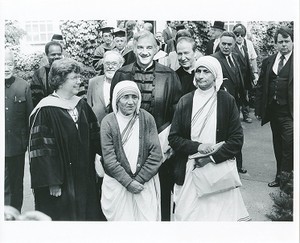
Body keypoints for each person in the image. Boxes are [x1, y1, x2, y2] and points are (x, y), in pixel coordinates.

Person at [110, 30, 182, 221]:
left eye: (149, 47)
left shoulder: (169, 75)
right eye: (140, 47)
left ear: (157, 49)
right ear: (134, 48)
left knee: (162, 194)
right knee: (130, 196)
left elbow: (177, 113)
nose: (144, 51)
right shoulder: (122, 73)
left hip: (161, 145)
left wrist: (168, 143)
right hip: (128, 148)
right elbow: (113, 111)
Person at [168, 56, 250, 221]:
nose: (201, 75)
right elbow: (174, 138)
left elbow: (236, 140)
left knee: (218, 220)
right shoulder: (185, 101)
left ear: (215, 76)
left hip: (218, 171)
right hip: (190, 169)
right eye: (198, 71)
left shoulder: (227, 101)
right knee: (188, 217)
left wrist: (211, 158)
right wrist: (197, 147)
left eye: (206, 72)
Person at [29, 58, 102, 220]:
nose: (79, 81)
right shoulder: (45, 109)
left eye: (79, 77)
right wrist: (52, 182)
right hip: (60, 181)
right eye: (74, 78)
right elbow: (42, 151)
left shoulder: (81, 105)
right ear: (60, 80)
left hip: (84, 175)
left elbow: (95, 137)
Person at [100, 81, 162, 220]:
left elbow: (156, 155)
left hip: (143, 184)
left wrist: (138, 181)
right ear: (117, 100)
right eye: (125, 97)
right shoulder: (108, 122)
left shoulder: (147, 118)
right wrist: (128, 183)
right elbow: (109, 160)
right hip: (117, 184)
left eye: (134, 97)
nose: (130, 102)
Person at [255, 27, 293, 188]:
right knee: (278, 144)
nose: (283, 45)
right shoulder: (269, 61)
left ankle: (286, 181)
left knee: (289, 145)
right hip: (274, 111)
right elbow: (260, 85)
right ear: (275, 43)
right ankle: (279, 176)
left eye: (286, 41)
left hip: (290, 112)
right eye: (280, 42)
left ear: (292, 42)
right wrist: (258, 108)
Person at [212, 31, 247, 174]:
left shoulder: (236, 57)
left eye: (229, 44)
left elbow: (239, 78)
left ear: (234, 45)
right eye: (223, 44)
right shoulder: (214, 59)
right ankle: (227, 166)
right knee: (225, 135)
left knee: (236, 133)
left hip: (235, 102)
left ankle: (237, 165)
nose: (226, 47)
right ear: (219, 43)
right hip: (222, 104)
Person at [5, 48, 33, 212]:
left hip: (16, 146)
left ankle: (14, 215)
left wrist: (27, 145)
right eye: (3, 64)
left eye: (9, 64)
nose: (6, 68)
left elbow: (29, 117)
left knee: (16, 184)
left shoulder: (23, 86)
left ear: (14, 65)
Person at [87, 50, 124, 124]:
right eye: (107, 63)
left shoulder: (124, 83)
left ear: (120, 65)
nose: (110, 67)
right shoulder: (93, 82)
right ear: (103, 65)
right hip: (97, 129)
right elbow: (88, 107)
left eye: (114, 64)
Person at [232, 24, 259, 123]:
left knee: (245, 95)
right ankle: (235, 117)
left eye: (242, 35)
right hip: (235, 75)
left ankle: (246, 114)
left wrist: (255, 73)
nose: (239, 37)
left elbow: (252, 59)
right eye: (237, 34)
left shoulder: (247, 45)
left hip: (245, 75)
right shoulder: (231, 45)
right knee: (235, 96)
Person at [31, 41, 63, 107]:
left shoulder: (69, 71)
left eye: (59, 54)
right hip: (47, 109)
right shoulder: (39, 74)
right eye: (53, 54)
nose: (57, 57)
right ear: (47, 55)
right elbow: (36, 98)